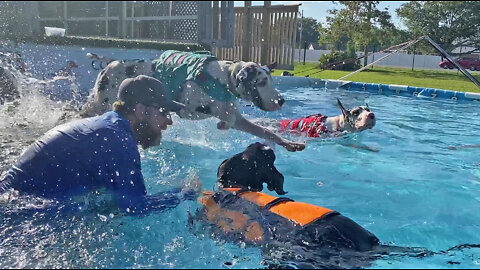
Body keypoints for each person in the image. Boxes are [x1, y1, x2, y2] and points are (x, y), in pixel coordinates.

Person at [0, 75, 200, 215]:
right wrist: (183, 194)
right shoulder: (116, 139)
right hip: (18, 208)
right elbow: (134, 208)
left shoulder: (111, 126)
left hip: (15, 198)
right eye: (164, 111)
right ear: (140, 110)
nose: (169, 121)